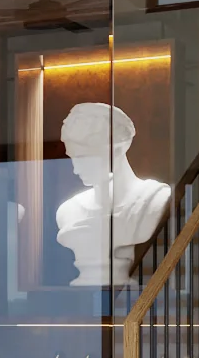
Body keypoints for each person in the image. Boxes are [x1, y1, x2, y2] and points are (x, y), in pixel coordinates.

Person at [53, 103, 170, 286]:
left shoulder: (155, 200)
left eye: (84, 157)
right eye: (72, 157)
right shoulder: (69, 211)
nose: (75, 169)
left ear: (117, 149)